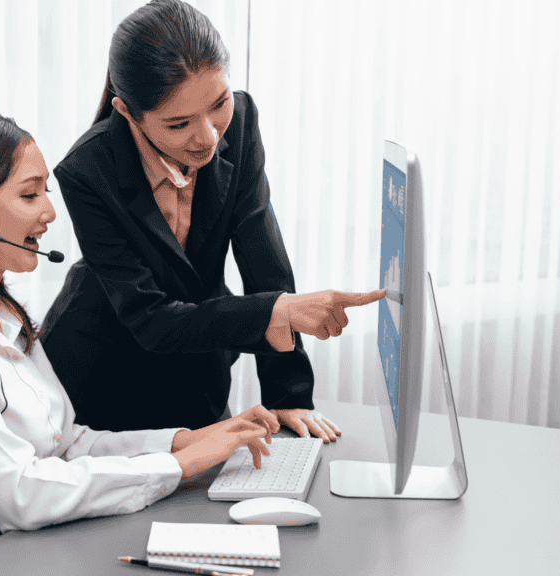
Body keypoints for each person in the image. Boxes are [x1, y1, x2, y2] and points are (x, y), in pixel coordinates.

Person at [0, 110, 282, 575]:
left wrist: (185, 442)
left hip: (22, 535)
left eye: (45, 190)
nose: (49, 211)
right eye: (30, 194)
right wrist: (178, 468)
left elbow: (69, 445)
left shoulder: (2, 314)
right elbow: (19, 491)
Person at [40, 0, 384, 438]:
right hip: (103, 376)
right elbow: (150, 318)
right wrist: (278, 313)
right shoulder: (87, 171)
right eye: (179, 123)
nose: (207, 137)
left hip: (199, 369)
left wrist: (288, 397)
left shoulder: (239, 124)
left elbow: (264, 259)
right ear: (127, 112)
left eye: (218, 104)